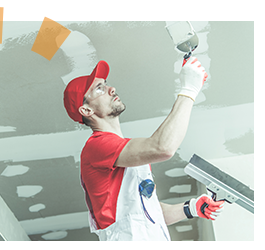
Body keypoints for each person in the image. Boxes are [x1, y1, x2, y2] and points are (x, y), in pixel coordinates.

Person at [63, 58, 225, 241]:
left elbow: (148, 214)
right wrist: (188, 90)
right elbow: (162, 147)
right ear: (86, 111)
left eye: (106, 84)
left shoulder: (125, 153)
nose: (111, 89)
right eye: (99, 89)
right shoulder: (97, 146)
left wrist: (191, 208)